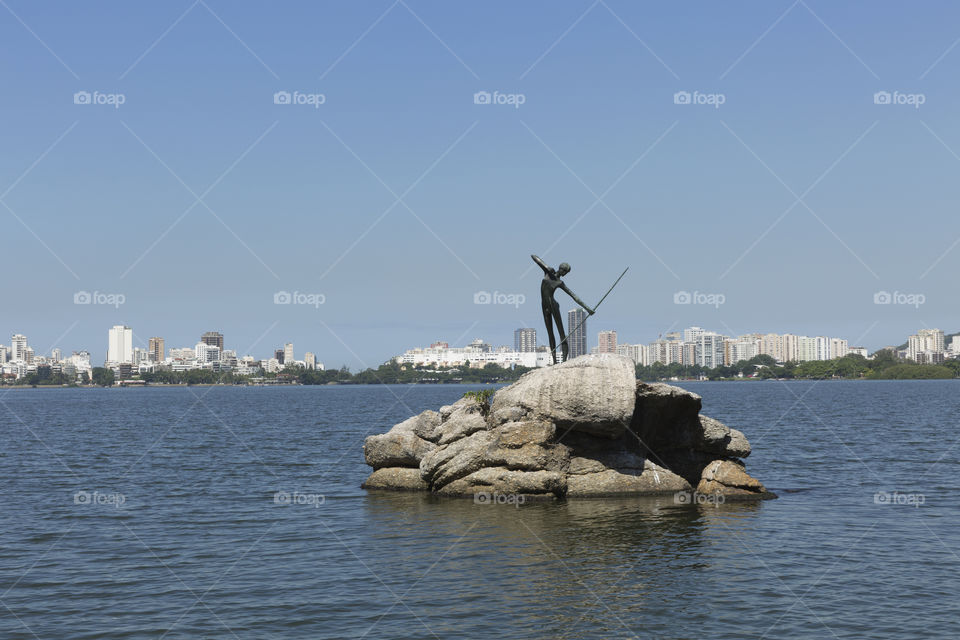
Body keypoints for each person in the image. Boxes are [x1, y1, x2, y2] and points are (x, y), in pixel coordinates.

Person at [531, 254, 595, 365]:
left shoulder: (560, 283)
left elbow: (574, 296)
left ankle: (564, 361)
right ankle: (555, 362)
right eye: (565, 272)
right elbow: (534, 257)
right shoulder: (548, 273)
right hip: (544, 306)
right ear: (561, 269)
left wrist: (588, 309)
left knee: (562, 333)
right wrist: (546, 266)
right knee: (550, 334)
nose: (565, 274)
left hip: (553, 305)